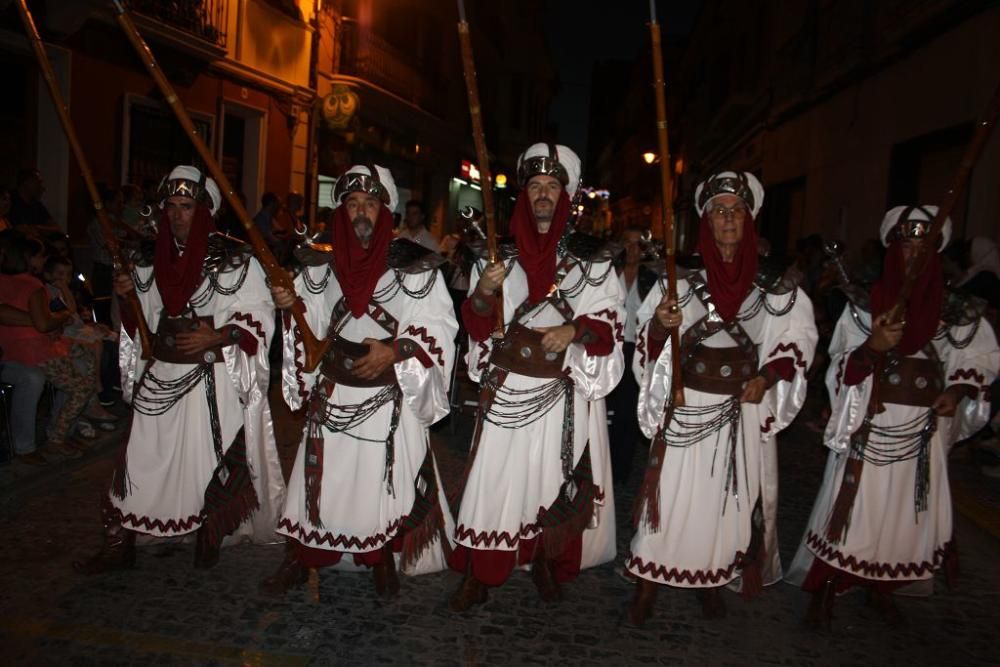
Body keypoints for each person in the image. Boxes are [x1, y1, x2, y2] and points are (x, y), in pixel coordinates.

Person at [787, 206, 999, 629]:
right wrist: (874, 346)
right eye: (906, 246)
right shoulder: (865, 304)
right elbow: (842, 364)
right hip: (872, 420)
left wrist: (956, 391)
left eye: (923, 247)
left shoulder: (957, 311)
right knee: (853, 510)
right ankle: (827, 586)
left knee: (905, 512)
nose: (914, 255)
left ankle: (881, 588)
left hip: (923, 430)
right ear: (893, 251)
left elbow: (977, 360)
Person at [627, 171, 817, 625]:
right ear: (706, 221)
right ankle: (648, 583)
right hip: (688, 401)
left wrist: (769, 376)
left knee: (726, 500)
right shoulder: (681, 275)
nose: (727, 219)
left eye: (736, 211)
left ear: (749, 219)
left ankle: (710, 579)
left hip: (741, 408)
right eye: (718, 211)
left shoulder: (776, 284)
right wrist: (660, 324)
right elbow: (645, 336)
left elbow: (799, 338)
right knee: (669, 497)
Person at [74, 165, 285, 574]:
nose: (176, 215)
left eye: (186, 207)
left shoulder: (237, 259)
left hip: (212, 375)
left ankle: (209, 529)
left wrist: (219, 335)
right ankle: (121, 542)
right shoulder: (152, 258)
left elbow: (260, 316)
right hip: (163, 372)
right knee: (139, 457)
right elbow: (144, 323)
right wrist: (128, 298)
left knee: (205, 463)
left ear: (204, 210)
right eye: (170, 206)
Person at [261, 164, 458, 597]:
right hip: (333, 389)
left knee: (379, 483)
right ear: (341, 211)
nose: (361, 212)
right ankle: (302, 557)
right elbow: (308, 324)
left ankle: (381, 557)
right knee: (320, 482)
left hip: (387, 390)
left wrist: (397, 350)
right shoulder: (318, 263)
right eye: (352, 204)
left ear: (385, 209)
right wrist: (290, 306)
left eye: (370, 203)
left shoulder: (415, 265)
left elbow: (439, 326)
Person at [448, 143, 625, 611]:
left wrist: (574, 329)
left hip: (560, 389)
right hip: (508, 384)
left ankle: (545, 562)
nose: (543, 195)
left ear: (564, 195)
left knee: (552, 482)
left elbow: (613, 319)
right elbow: (478, 324)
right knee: (494, 481)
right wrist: (483, 291)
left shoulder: (593, 259)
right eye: (535, 187)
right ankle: (480, 573)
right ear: (523, 196)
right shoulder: (496, 252)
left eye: (551, 186)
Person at [0, 232, 95, 463]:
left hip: (30, 344)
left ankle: (62, 429)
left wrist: (50, 319)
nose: (44, 261)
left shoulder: (7, 280)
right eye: (41, 256)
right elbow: (42, 323)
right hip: (32, 349)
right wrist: (61, 316)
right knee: (80, 386)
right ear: (29, 258)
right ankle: (55, 438)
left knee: (83, 359)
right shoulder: (32, 285)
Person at [607, 225, 658, 483]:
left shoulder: (652, 279)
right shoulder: (605, 273)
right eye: (627, 242)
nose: (632, 249)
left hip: (636, 351)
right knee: (600, 408)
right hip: (607, 348)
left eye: (638, 244)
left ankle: (619, 471)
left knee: (627, 413)